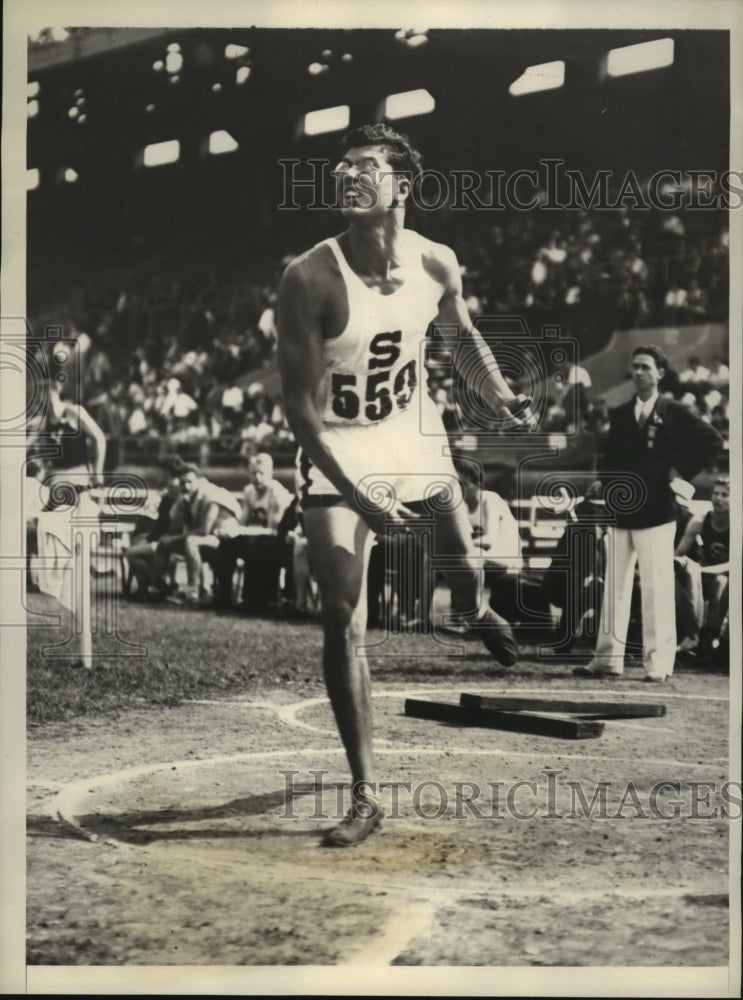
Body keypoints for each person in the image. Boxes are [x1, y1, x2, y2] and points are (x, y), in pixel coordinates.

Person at [277, 123, 537, 847]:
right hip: (337, 439)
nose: (347, 176)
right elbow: (297, 408)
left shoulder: (436, 262)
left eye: (365, 167)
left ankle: (477, 608)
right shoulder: (309, 276)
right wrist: (357, 494)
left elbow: (461, 335)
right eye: (341, 168)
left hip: (412, 425)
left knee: (459, 562)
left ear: (402, 184)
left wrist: (501, 394)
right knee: (342, 613)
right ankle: (366, 791)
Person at [574, 345, 723, 683]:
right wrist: (602, 482)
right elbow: (613, 457)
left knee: (657, 589)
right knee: (615, 587)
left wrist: (679, 470)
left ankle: (658, 665)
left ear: (660, 373)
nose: (639, 372)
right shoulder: (621, 413)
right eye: (635, 367)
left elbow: (712, 441)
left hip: (657, 510)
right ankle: (606, 660)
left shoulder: (675, 411)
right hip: (621, 509)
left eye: (645, 367)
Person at [149, 464, 240, 605]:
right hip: (207, 538)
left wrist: (176, 537)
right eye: (182, 483)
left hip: (226, 539)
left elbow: (204, 529)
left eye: (189, 482)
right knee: (164, 542)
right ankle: (155, 589)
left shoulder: (210, 494)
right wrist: (182, 509)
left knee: (191, 541)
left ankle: (193, 591)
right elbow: (174, 529)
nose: (186, 486)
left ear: (198, 480)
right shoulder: (185, 497)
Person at [674, 476, 730, 660]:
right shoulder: (700, 521)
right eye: (716, 493)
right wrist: (688, 566)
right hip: (703, 574)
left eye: (725, 494)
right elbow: (679, 553)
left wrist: (702, 570)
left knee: (720, 582)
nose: (718, 498)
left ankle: (711, 635)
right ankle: (690, 632)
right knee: (681, 576)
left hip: (730, 577)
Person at [28, 379, 107, 502]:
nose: (44, 403)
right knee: (56, 515)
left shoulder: (74, 412)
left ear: (54, 395)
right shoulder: (43, 422)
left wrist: (98, 472)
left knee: (82, 515)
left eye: (46, 398)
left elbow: (99, 438)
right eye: (40, 400)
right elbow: (26, 445)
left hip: (79, 471)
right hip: (57, 473)